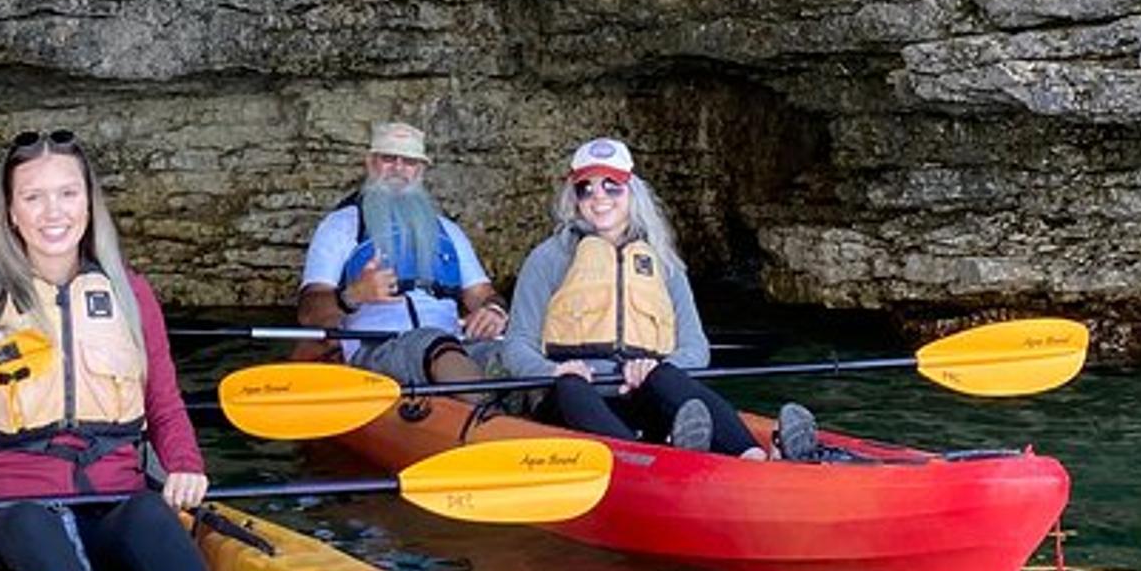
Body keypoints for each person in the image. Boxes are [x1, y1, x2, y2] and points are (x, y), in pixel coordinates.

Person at [0, 129, 225, 571]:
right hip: (17, 532)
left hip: (109, 514)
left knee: (149, 512)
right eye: (34, 197)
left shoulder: (130, 296)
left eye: (68, 193)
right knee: (29, 519)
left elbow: (165, 407)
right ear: (11, 212)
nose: (54, 212)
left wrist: (185, 466)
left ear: (89, 202)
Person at [501, 137, 817, 460]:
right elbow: (515, 345)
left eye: (612, 186)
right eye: (586, 188)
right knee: (571, 387)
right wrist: (554, 371)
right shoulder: (549, 259)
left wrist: (653, 369)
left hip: (639, 398)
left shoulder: (663, 263)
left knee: (666, 378)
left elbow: (696, 348)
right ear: (574, 197)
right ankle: (644, 461)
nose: (599, 198)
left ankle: (754, 456)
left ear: (632, 191)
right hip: (572, 402)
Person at [296, 120, 509, 388]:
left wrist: (494, 311)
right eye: (388, 158)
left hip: (454, 350)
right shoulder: (342, 226)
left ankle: (536, 415)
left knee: (512, 354)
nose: (398, 168)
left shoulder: (449, 232)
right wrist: (353, 295)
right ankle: (488, 418)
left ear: (420, 170)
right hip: (377, 352)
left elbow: (483, 295)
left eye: (408, 162)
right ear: (371, 163)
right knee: (430, 343)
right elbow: (308, 313)